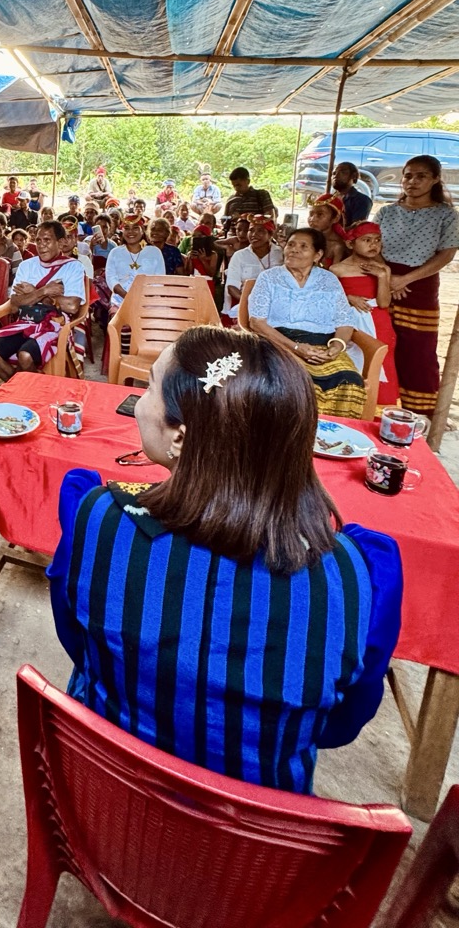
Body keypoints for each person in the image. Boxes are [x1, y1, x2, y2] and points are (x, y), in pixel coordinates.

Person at [47, 327, 402, 793]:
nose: (140, 400)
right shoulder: (353, 578)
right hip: (251, 851)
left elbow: (78, 645)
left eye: (150, 385)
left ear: (179, 434)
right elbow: (339, 725)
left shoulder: (99, 522)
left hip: (104, 803)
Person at [247, 228, 365, 416]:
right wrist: (296, 348)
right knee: (293, 381)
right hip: (279, 343)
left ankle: (331, 439)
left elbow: (344, 320)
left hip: (322, 345)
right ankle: (292, 438)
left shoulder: (329, 280)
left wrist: (337, 346)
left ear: (317, 255)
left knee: (348, 379)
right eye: (291, 244)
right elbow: (257, 322)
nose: (294, 250)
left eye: (303, 246)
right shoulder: (269, 278)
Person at [376, 155, 459, 415]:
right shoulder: (386, 212)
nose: (412, 181)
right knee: (381, 341)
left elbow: (446, 255)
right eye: (408, 175)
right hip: (382, 280)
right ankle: (381, 404)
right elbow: (372, 246)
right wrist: (388, 277)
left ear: (435, 179)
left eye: (421, 176)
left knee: (418, 349)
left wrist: (406, 279)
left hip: (420, 286)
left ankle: (416, 411)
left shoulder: (446, 215)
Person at [0, 221, 85, 380]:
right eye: (38, 240)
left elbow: (71, 306)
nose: (41, 245)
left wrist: (32, 294)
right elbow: (15, 304)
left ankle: (25, 390)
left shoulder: (73, 267)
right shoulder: (26, 265)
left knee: (25, 356)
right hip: (25, 321)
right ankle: (21, 388)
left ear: (59, 242)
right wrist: (44, 291)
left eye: (47, 240)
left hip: (54, 324)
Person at [330, 222, 398, 406]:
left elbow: (384, 303)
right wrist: (349, 297)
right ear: (351, 244)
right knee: (352, 357)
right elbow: (329, 298)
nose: (373, 245)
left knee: (381, 359)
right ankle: (351, 405)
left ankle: (380, 406)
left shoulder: (383, 269)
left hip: (379, 321)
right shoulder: (337, 270)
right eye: (366, 240)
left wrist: (382, 277)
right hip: (351, 322)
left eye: (377, 240)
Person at [221, 216, 283, 324]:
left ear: (270, 234)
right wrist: (251, 304)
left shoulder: (281, 253)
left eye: (260, 231)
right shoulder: (239, 256)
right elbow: (232, 287)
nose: (253, 234)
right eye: (251, 230)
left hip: (273, 309)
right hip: (241, 308)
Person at [104, 216, 166, 312]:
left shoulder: (154, 252)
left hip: (150, 300)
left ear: (143, 230)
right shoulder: (115, 252)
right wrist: (127, 296)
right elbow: (111, 278)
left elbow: (160, 280)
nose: (130, 232)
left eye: (135, 228)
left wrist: (144, 298)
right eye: (127, 228)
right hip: (121, 300)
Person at [306, 193, 347, 268]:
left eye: (320, 214)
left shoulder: (337, 247)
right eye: (311, 214)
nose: (312, 219)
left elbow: (334, 276)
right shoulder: (306, 239)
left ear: (335, 218)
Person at [332, 161, 373, 226]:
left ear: (354, 176)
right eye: (334, 173)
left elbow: (356, 229)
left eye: (343, 172)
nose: (336, 176)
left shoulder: (362, 200)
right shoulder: (328, 199)